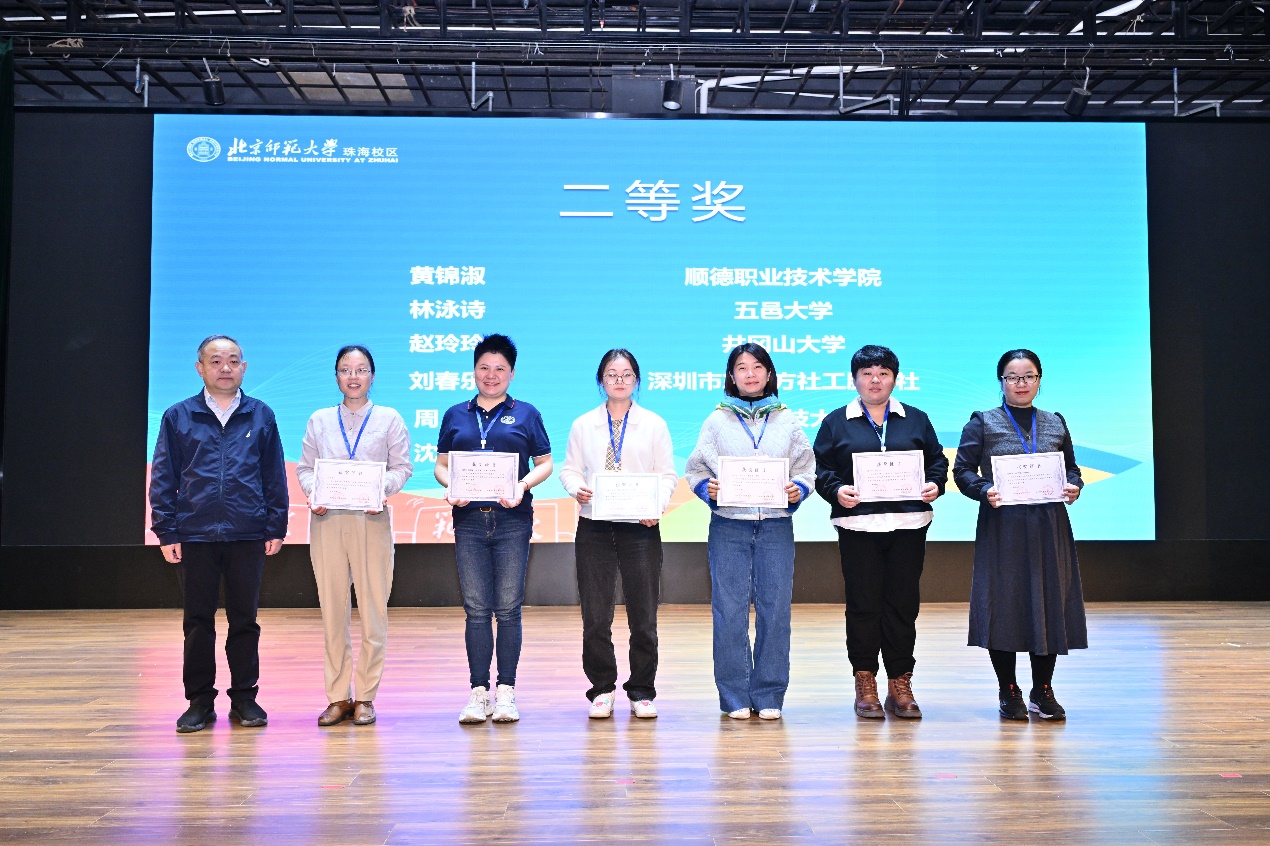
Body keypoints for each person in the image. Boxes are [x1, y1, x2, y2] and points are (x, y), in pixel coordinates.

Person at [149, 335, 289, 734]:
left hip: (248, 533)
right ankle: (199, 701)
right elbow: (164, 476)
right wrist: (166, 530)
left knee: (245, 620)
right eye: (215, 361)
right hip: (194, 534)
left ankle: (244, 697)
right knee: (197, 621)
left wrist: (276, 525)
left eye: (232, 360)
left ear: (244, 367)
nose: (224, 367)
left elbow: (273, 475)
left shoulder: (261, 415)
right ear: (200, 368)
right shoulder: (178, 416)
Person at [813, 345, 947, 720]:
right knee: (863, 605)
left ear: (895, 379)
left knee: (902, 605)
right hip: (858, 526)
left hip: (908, 525)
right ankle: (866, 681)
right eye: (867, 373)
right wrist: (837, 490)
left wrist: (935, 484)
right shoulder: (836, 422)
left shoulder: (915, 419)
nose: (875, 380)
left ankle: (900, 682)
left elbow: (937, 461)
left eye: (883, 373)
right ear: (854, 379)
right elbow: (820, 468)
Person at [953, 349, 1086, 721]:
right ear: (1001, 382)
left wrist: (1074, 486)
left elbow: (1071, 469)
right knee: (1005, 603)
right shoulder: (982, 422)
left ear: (1039, 380)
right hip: (1004, 526)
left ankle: (1042, 689)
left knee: (1048, 601)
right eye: (1012, 377)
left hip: (1049, 526)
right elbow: (962, 471)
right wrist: (984, 490)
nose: (1021, 383)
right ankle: (1008, 689)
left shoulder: (1055, 422)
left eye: (1029, 376)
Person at [685, 343, 815, 720]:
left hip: (776, 526)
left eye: (758, 367)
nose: (750, 374)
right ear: (732, 376)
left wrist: (799, 488)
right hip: (729, 526)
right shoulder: (716, 421)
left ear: (769, 373)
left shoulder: (788, 420)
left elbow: (807, 468)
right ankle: (734, 695)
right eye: (742, 367)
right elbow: (696, 469)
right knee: (729, 610)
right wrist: (706, 488)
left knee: (776, 611)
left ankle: (770, 692)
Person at [434, 334, 553, 724]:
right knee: (475, 609)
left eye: (500, 368)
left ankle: (506, 691)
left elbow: (545, 464)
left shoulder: (527, 414)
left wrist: (522, 485)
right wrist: (451, 486)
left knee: (508, 608)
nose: (491, 375)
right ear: (473, 370)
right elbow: (442, 465)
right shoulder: (455, 414)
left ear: (512, 373)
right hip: (469, 521)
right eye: (484, 367)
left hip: (512, 521)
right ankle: (478, 692)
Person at [296, 345, 413, 727]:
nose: (353, 376)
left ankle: (365, 696)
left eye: (361, 369)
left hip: (371, 521)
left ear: (372, 376)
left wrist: (382, 489)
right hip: (327, 520)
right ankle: (337, 697)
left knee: (374, 613)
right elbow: (305, 469)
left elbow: (402, 467)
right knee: (333, 613)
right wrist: (314, 493)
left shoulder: (389, 418)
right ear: (336, 377)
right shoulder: (319, 420)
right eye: (345, 369)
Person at [559, 349, 678, 720]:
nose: (619, 381)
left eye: (626, 375)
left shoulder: (654, 424)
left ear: (636, 380)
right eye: (612, 374)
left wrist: (655, 506)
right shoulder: (583, 424)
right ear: (601, 380)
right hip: (594, 526)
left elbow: (667, 475)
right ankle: (602, 689)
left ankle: (642, 691)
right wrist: (576, 488)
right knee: (596, 616)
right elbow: (569, 470)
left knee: (643, 616)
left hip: (640, 527)